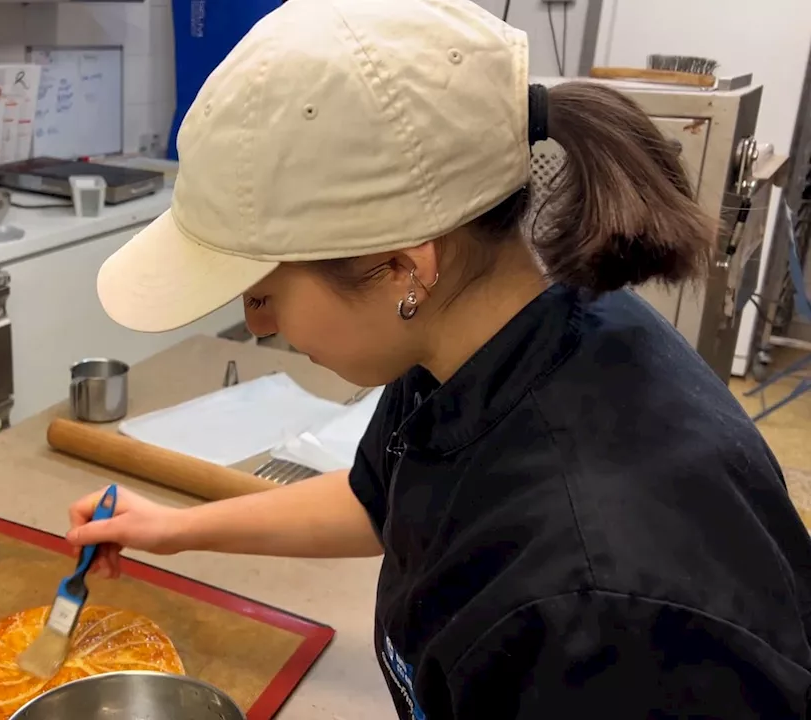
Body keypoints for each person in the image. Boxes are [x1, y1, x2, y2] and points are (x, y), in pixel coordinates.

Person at [65, 0, 811, 717]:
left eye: (263, 295)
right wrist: (173, 528)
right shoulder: (476, 339)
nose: (258, 327)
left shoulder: (599, 613)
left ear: (404, 267)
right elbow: (381, 499)